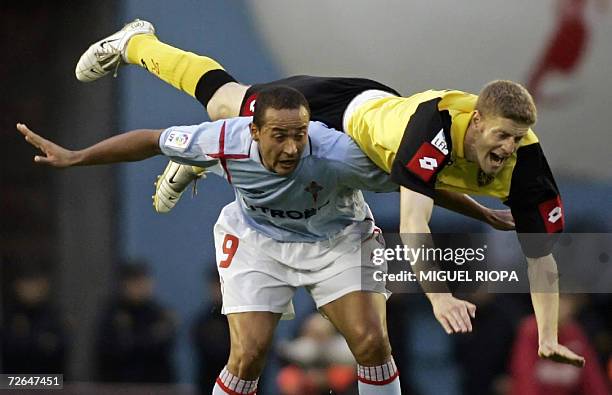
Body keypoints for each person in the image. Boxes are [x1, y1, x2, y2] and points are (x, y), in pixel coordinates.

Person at [73, 20, 585, 368]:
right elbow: (413, 223)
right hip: (338, 110)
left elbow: (542, 259)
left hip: (381, 131)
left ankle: (197, 159)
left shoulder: (528, 170)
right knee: (225, 106)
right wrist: (440, 294)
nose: (508, 148)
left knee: (228, 117)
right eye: (500, 136)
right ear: (475, 122)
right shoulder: (429, 134)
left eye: (518, 139)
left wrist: (546, 334)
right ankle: (138, 43)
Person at [17, 86, 406, 394]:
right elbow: (152, 140)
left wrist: (470, 206)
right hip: (259, 239)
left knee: (371, 342)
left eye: (299, 135)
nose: (291, 147)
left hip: (335, 239)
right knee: (247, 356)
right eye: (279, 135)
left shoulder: (338, 154)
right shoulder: (225, 139)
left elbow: (421, 180)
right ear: (253, 131)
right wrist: (77, 156)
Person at [95, 261, 177, 383]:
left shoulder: (158, 313)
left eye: (145, 281)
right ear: (125, 284)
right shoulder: (113, 313)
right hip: (119, 383)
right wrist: (148, 337)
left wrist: (134, 339)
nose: (142, 286)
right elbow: (113, 349)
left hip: (154, 384)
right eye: (136, 282)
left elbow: (163, 346)